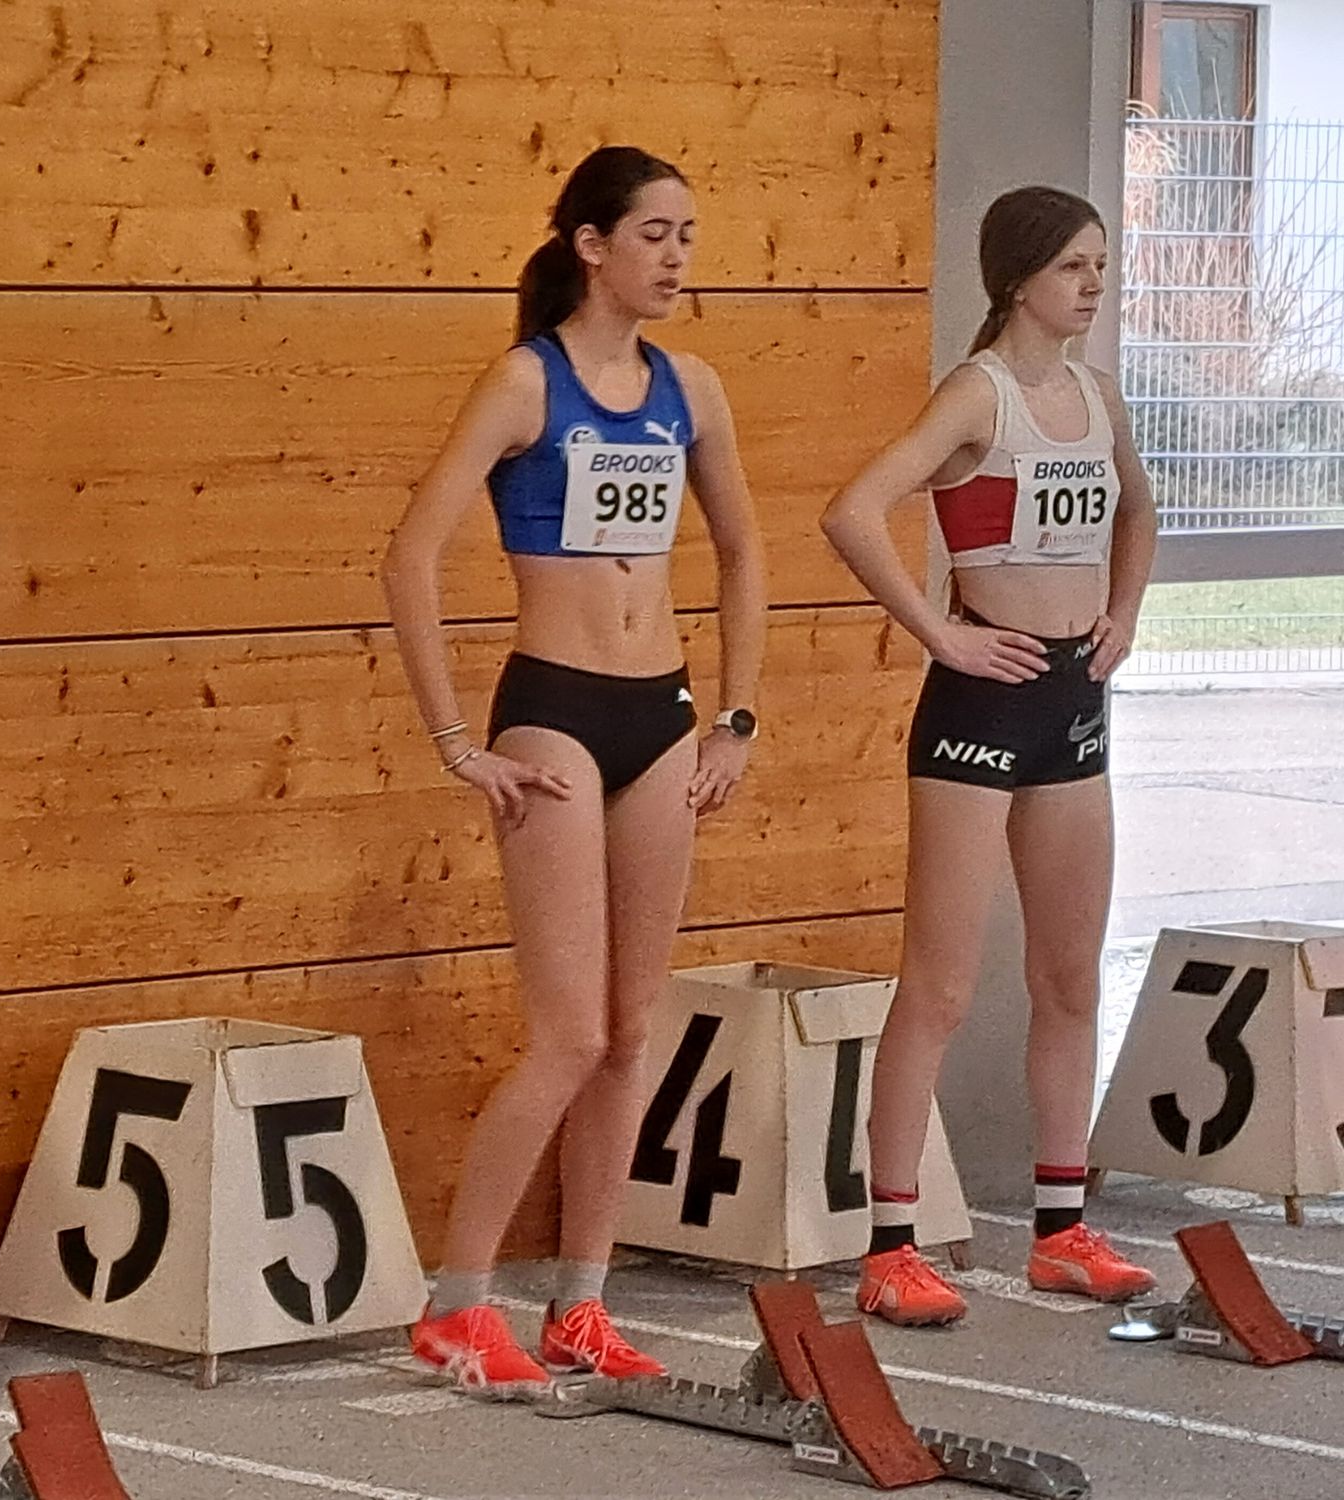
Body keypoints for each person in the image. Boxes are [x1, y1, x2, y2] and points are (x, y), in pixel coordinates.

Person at [381, 145, 767, 1393]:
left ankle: (581, 1304)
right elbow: (409, 554)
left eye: (687, 235)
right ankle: (455, 1305)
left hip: (661, 713)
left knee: (629, 1031)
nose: (675, 257)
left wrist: (736, 718)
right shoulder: (523, 382)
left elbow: (743, 553)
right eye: (654, 233)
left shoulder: (690, 388)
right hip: (550, 710)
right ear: (590, 245)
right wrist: (454, 741)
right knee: (565, 1034)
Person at [820, 186, 1159, 1326]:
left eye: (1099, 264)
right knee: (942, 984)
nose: (1093, 284)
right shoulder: (979, 394)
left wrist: (1123, 613)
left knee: (1068, 977)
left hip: (1071, 702)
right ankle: (889, 1245)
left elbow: (1138, 512)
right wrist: (941, 631)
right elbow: (852, 509)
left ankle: (1061, 1231)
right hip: (977, 701)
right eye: (1071, 266)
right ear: (1017, 279)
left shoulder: (1097, 396)